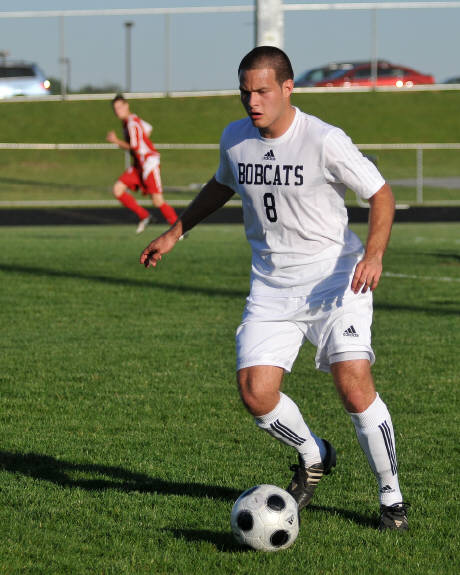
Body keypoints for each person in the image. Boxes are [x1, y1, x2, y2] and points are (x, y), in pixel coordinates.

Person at [140, 47, 408, 531]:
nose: (252, 101)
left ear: (288, 88)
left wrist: (374, 254)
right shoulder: (235, 138)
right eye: (245, 92)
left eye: (262, 91)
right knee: (255, 393)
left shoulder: (323, 139)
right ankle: (314, 454)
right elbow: (221, 184)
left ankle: (391, 497)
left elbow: (380, 193)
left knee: (353, 386)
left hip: (336, 281)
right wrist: (175, 231)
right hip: (271, 287)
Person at [107, 94, 178, 234]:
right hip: (138, 165)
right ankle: (145, 216)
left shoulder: (131, 123)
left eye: (120, 107)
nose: (117, 111)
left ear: (127, 105)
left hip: (148, 163)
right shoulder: (131, 121)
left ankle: (179, 229)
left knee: (157, 200)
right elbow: (148, 128)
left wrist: (116, 141)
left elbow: (134, 147)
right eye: (115, 108)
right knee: (118, 189)